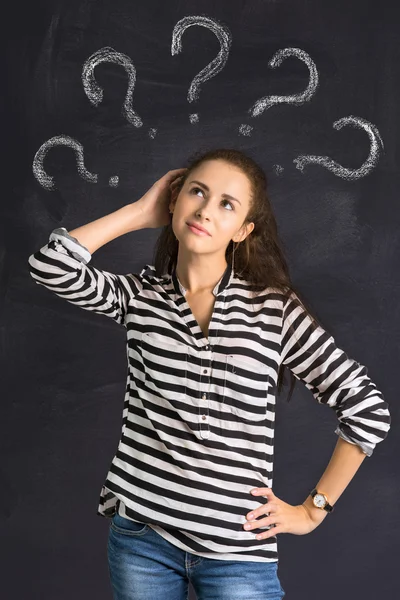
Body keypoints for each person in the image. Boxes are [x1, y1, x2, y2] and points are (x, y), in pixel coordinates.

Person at [28, 148, 391, 600]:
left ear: (243, 230)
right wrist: (139, 212)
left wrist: (313, 510)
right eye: (196, 192)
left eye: (227, 203)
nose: (205, 210)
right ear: (175, 200)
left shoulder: (273, 310)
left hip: (237, 552)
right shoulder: (140, 296)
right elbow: (51, 266)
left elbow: (366, 411)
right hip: (141, 541)